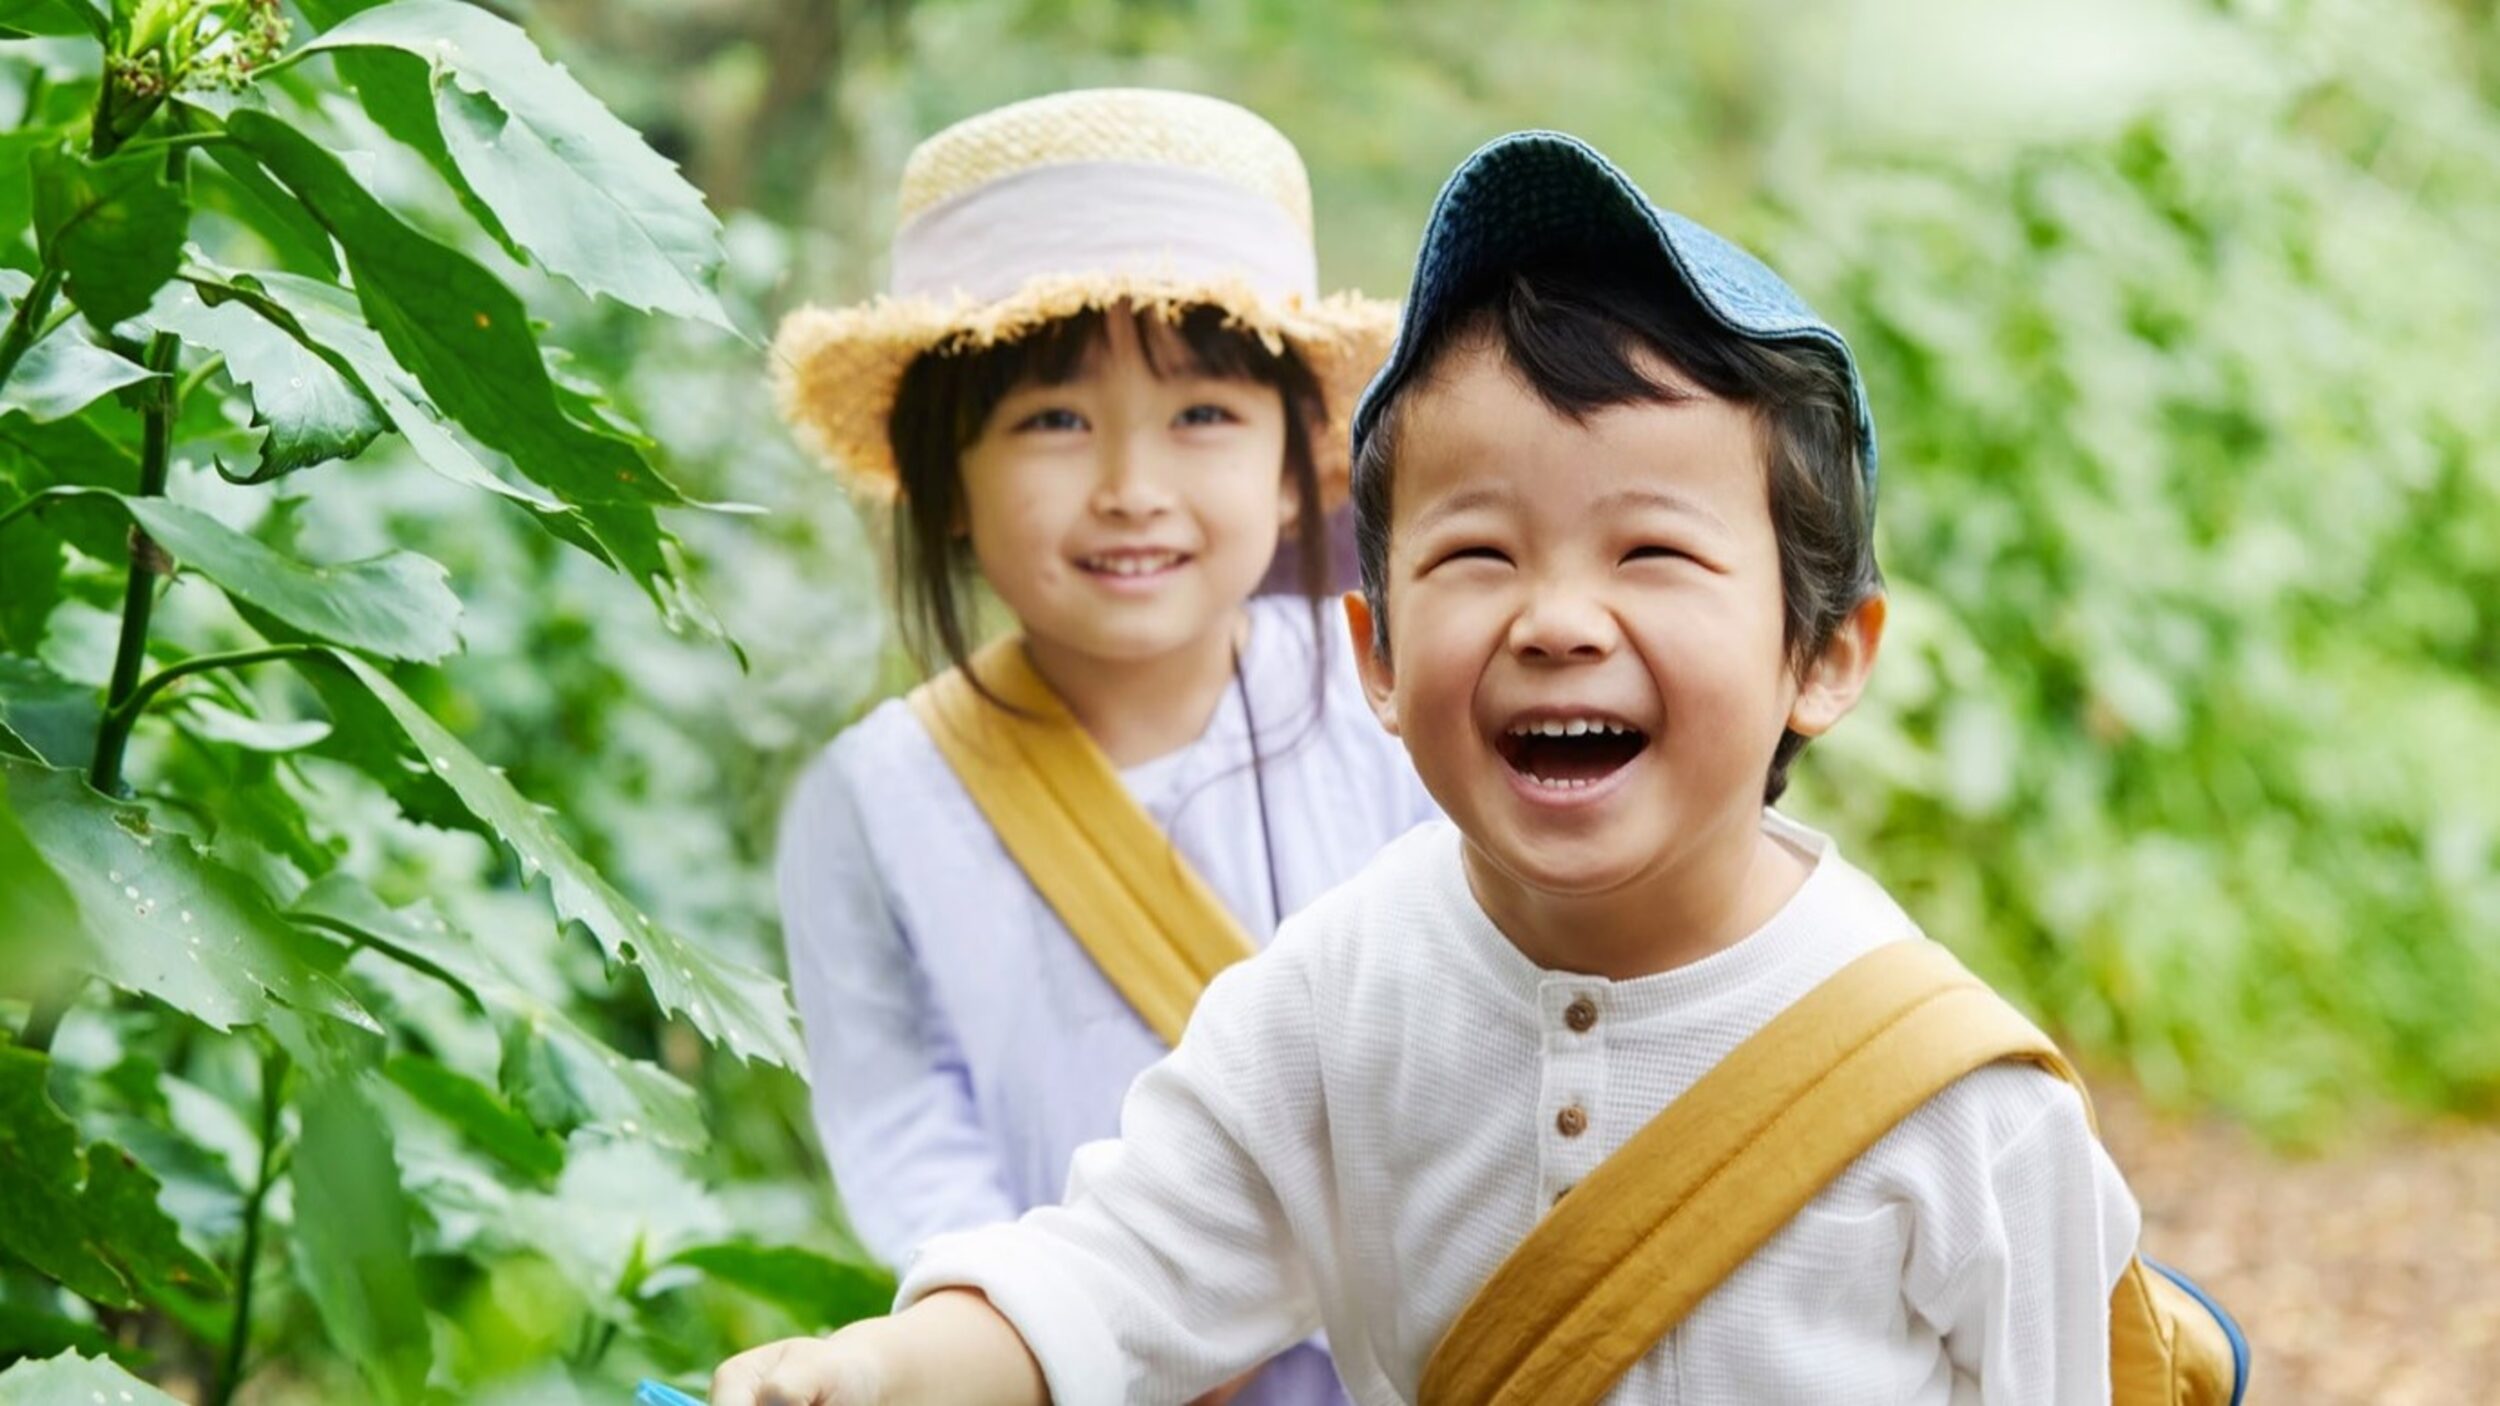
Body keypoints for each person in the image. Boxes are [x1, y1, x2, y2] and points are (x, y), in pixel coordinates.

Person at [723, 129, 2141, 1406]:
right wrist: (880, 1366)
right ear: (1380, 657)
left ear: (1824, 652)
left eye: (1651, 550)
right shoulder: (1329, 1003)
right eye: (1477, 554)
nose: (1559, 620)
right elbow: (1110, 1277)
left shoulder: (1959, 1102)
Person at [765, 88, 1437, 1406]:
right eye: (1053, 421)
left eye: (1202, 416)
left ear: (1300, 462)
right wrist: (1062, 1334)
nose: (1131, 484)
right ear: (945, 475)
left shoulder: (1393, 714)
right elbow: (908, 1136)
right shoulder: (875, 802)